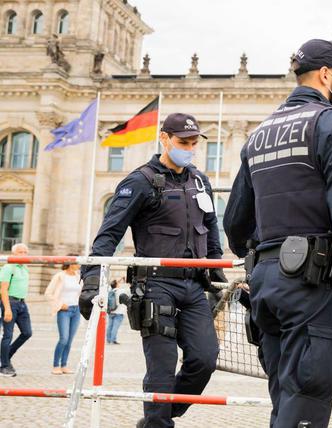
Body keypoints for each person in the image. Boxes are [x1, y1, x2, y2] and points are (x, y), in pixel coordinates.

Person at [223, 39, 332, 428]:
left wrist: (263, 258)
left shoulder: (261, 133)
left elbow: (235, 222)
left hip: (266, 285)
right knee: (306, 403)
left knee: (284, 401)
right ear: (325, 75)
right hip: (311, 285)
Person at [78, 112, 225, 428]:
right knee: (161, 367)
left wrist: (216, 270)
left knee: (204, 359)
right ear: (164, 138)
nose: (189, 148)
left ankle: (157, 416)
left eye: (193, 143)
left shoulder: (200, 180)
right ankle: (158, 422)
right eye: (182, 142)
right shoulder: (140, 181)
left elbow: (211, 226)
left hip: (194, 285)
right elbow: (110, 232)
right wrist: (91, 278)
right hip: (156, 286)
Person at [43, 258, 82, 374]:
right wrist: (60, 304)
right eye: (77, 262)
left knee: (69, 340)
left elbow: (81, 292)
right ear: (70, 264)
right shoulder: (60, 276)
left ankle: (64, 365)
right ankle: (56, 365)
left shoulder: (78, 276)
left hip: (76, 310)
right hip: (64, 310)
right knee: (63, 339)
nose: (79, 265)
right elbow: (48, 293)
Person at [0, 243, 32, 377]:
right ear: (13, 254)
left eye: (25, 252)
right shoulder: (8, 267)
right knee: (8, 335)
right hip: (10, 302)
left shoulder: (24, 268)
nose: (23, 254)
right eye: (20, 252)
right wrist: (7, 308)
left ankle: (5, 357)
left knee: (27, 333)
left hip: (22, 303)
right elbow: (3, 290)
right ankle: (5, 365)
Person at [107, 277, 129, 345]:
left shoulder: (111, 291)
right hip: (119, 312)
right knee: (115, 327)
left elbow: (113, 283)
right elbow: (128, 289)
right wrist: (124, 280)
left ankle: (108, 339)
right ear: (117, 285)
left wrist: (117, 281)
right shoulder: (121, 291)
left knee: (110, 326)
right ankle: (113, 340)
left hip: (111, 311)